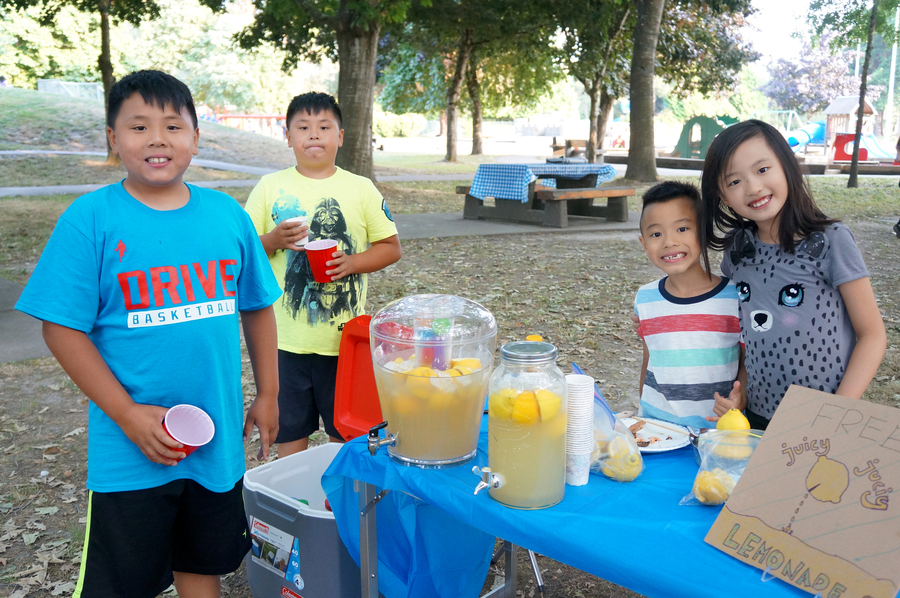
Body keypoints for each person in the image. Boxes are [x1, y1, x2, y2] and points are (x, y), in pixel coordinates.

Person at [14, 70, 282, 598]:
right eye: (138, 126)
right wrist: (128, 414)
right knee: (123, 582)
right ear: (114, 140)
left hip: (215, 439)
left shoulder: (228, 216)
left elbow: (257, 307)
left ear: (196, 137)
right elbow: (61, 329)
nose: (157, 138)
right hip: (129, 447)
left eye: (173, 126)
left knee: (202, 560)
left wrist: (270, 393)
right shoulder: (90, 219)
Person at [244, 92, 402, 458]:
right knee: (291, 438)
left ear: (341, 136)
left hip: (345, 345)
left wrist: (352, 263)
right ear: (287, 136)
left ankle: (337, 511)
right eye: (303, 127)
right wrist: (272, 239)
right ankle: (297, 504)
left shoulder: (360, 188)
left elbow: (390, 247)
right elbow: (243, 252)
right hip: (283, 344)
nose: (313, 135)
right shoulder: (269, 187)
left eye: (324, 127)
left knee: (345, 437)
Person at [701, 119, 886, 430]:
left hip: (823, 419)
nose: (753, 187)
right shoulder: (737, 250)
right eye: (734, 181)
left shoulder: (832, 241)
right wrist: (741, 393)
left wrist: (837, 410)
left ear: (787, 166)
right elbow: (747, 335)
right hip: (756, 418)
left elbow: (872, 335)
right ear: (720, 195)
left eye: (762, 170)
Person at [634, 181, 745, 429]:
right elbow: (650, 357)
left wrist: (741, 397)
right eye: (656, 234)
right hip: (657, 427)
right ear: (644, 244)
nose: (669, 242)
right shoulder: (645, 298)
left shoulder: (733, 297)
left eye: (682, 228)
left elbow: (746, 360)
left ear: (704, 231)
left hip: (716, 428)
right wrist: (642, 413)